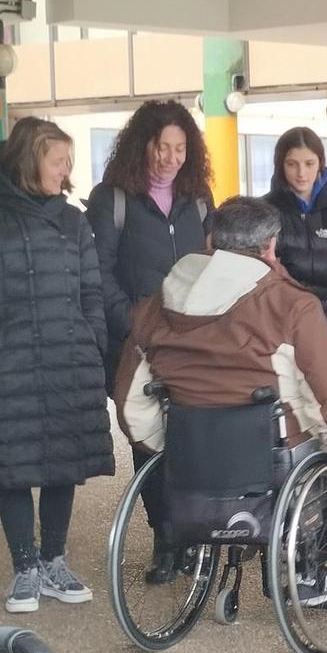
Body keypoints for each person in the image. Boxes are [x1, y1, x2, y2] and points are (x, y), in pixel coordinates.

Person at [113, 196, 327, 613]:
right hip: (272, 459)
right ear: (270, 247)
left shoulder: (157, 304)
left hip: (190, 454)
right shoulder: (289, 305)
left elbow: (130, 399)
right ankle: (305, 575)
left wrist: (160, 443)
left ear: (211, 240)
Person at [0, 117, 114, 614]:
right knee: (12, 467)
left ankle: (54, 560)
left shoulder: (73, 220)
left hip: (69, 361)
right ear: (28, 159)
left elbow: (91, 291)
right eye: (57, 161)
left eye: (68, 163)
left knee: (64, 465)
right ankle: (24, 568)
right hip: (9, 365)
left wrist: (92, 344)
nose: (65, 172)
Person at [85, 101, 212, 584]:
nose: (170, 157)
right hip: (135, 342)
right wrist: (135, 320)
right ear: (144, 146)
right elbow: (97, 271)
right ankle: (164, 537)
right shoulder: (112, 199)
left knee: (193, 435)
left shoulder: (198, 200)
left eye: (180, 148)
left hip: (191, 341)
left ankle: (192, 533)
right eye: (162, 147)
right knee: (147, 440)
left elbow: (213, 261)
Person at [264, 126, 327, 348]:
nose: (301, 173)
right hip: (279, 325)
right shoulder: (264, 211)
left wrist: (288, 262)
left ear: (320, 163)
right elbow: (262, 273)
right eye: (292, 164)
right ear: (280, 166)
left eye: (309, 163)